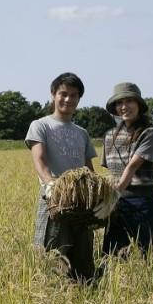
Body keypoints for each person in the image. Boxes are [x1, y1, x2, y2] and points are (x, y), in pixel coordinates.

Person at [25, 72, 97, 282]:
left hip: (81, 201)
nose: (68, 99)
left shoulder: (81, 132)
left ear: (79, 99)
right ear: (53, 94)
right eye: (63, 94)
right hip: (54, 198)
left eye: (73, 95)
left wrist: (98, 196)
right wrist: (50, 184)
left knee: (82, 256)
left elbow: (89, 169)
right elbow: (39, 159)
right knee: (53, 251)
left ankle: (83, 294)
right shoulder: (41, 125)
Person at [101, 82, 153, 255]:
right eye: (119, 103)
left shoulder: (150, 133)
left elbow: (132, 167)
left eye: (129, 101)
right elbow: (110, 172)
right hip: (117, 205)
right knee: (112, 257)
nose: (124, 107)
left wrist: (113, 194)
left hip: (143, 202)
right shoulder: (109, 136)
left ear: (139, 105)